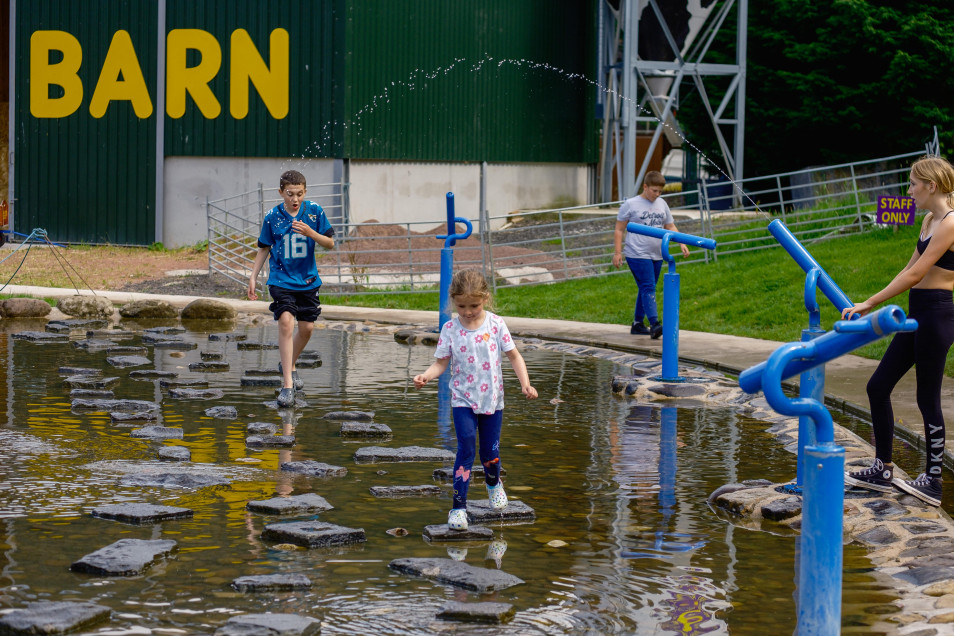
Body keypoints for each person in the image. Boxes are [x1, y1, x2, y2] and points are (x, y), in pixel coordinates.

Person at [842, 155, 954, 506]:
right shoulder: (927, 221)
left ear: (931, 185)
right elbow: (907, 269)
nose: (909, 191)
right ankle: (883, 467)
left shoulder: (950, 222)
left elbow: (917, 275)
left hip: (938, 315)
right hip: (917, 312)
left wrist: (869, 303)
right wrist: (872, 301)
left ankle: (933, 482)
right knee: (877, 385)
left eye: (912, 184)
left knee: (926, 398)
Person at [413, 269, 538, 530]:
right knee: (466, 448)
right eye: (461, 306)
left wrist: (525, 384)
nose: (468, 311)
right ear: (452, 302)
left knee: (490, 451)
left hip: (492, 399)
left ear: (486, 299)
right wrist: (426, 376)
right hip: (462, 400)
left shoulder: (495, 324)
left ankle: (493, 483)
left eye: (474, 305)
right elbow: (440, 363)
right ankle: (458, 507)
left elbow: (514, 356)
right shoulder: (450, 328)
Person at [248, 170, 335, 407]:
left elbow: (330, 243)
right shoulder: (272, 217)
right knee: (286, 321)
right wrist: (253, 276)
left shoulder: (315, 211)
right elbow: (264, 248)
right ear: (281, 193)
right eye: (289, 194)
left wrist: (310, 232)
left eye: (299, 194)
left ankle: (289, 364)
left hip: (307, 281)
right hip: (280, 280)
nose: (294, 199)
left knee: (306, 329)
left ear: (305, 192)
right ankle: (287, 385)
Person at [613, 171, 691, 339]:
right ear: (645, 187)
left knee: (646, 287)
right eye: (654, 190)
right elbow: (619, 229)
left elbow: (670, 226)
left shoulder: (662, 204)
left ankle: (638, 324)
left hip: (656, 254)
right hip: (637, 253)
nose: (657, 194)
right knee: (648, 286)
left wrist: (681, 243)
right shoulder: (631, 204)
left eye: (660, 191)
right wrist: (618, 253)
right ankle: (655, 324)